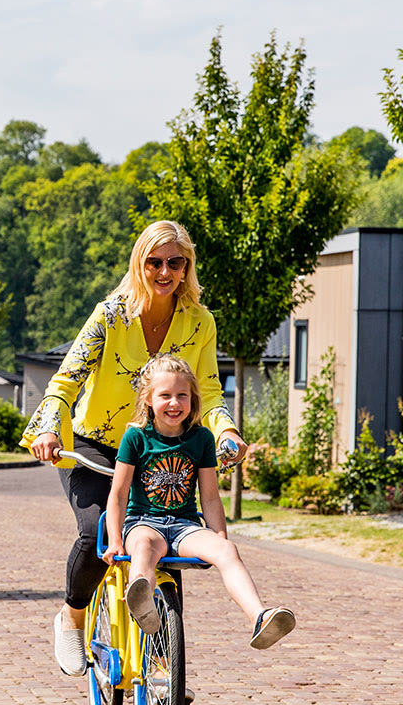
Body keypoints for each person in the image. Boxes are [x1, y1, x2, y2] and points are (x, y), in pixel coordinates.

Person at [23, 219, 245, 675]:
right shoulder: (111, 314)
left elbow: (208, 388)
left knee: (169, 535)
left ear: (186, 268)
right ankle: (72, 616)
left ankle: (165, 666)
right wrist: (48, 429)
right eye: (155, 261)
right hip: (96, 443)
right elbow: (65, 381)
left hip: (164, 446)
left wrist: (225, 431)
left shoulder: (199, 322)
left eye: (175, 263)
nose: (164, 271)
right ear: (140, 263)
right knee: (96, 529)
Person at [106, 356, 295, 648]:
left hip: (184, 526)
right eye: (165, 395)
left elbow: (209, 495)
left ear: (193, 399)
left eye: (182, 395)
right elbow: (118, 494)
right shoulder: (136, 437)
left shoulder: (202, 439)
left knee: (227, 550)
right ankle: (142, 602)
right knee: (144, 546)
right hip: (143, 523)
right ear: (148, 399)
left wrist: (219, 539)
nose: (174, 403)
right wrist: (116, 540)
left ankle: (260, 616)